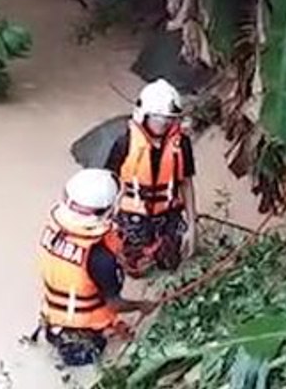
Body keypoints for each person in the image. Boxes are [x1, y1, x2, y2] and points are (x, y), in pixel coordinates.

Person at [36, 168, 154, 367]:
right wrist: (142, 305)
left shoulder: (55, 229)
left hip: (53, 317)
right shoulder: (100, 257)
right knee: (98, 353)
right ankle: (100, 332)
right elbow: (114, 304)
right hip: (82, 334)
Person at [105, 79, 197, 277]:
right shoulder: (125, 143)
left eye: (168, 118)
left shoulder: (181, 144)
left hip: (168, 212)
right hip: (133, 214)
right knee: (134, 268)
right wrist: (107, 221)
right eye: (158, 117)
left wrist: (192, 225)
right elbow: (109, 183)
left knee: (171, 262)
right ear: (144, 115)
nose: (163, 123)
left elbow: (186, 183)